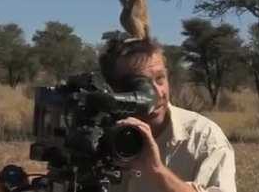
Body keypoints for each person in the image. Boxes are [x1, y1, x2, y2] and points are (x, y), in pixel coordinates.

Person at [99, 31, 237, 192]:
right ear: (113, 89)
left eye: (159, 78)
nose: (157, 92)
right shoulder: (95, 134)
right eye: (140, 85)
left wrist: (157, 171)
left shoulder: (202, 137)